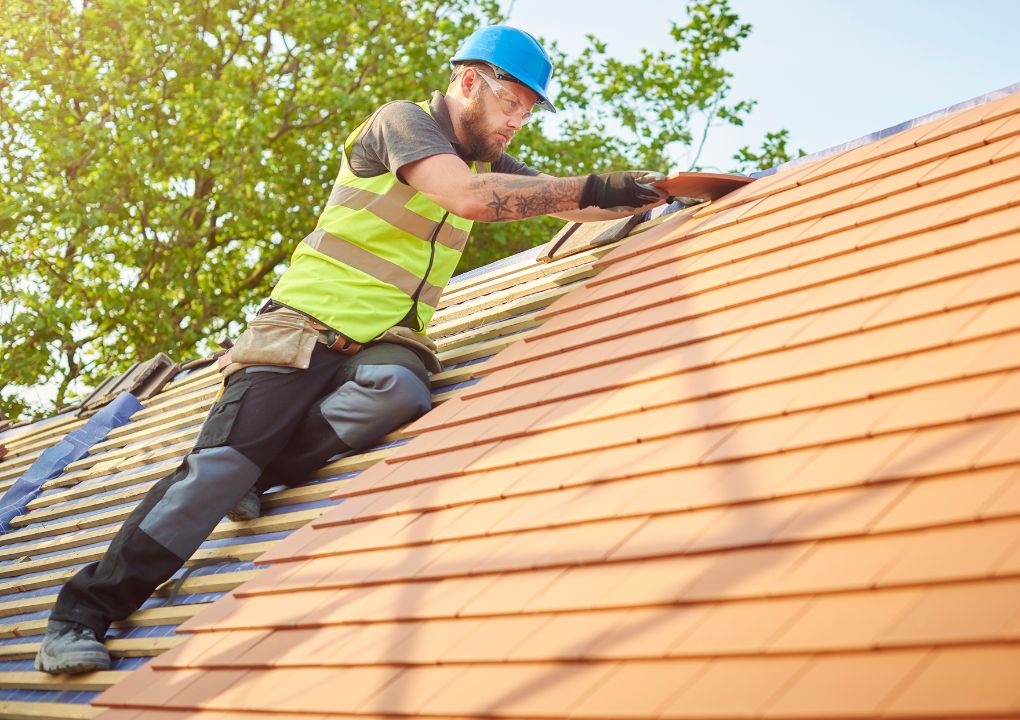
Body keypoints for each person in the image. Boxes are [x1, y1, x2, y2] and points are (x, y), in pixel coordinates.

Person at [36, 24, 668, 674]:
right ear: (468, 82)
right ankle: (81, 613)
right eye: (511, 104)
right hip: (300, 330)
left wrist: (658, 193)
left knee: (401, 387)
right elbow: (469, 200)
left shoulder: (487, 166)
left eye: (528, 113)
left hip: (376, 346)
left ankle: (261, 474)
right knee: (214, 473)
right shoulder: (402, 124)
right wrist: (599, 186)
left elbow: (566, 203)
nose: (517, 123)